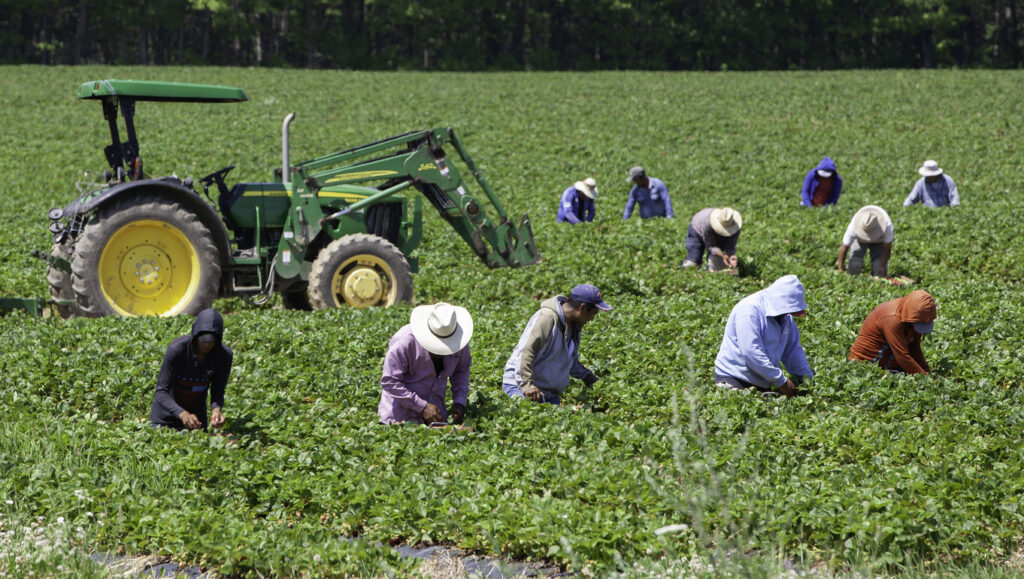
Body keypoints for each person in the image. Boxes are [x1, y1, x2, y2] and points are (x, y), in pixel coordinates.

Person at [502, 284, 612, 405]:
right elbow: (526, 352)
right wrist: (527, 385)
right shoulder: (547, 318)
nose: (592, 319)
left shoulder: (574, 327)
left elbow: (570, 361)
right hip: (520, 387)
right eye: (594, 313)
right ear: (583, 307)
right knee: (529, 418)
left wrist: (591, 380)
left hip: (547, 392)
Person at [714, 275, 814, 398]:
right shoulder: (750, 310)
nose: (789, 314)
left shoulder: (785, 317)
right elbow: (751, 352)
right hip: (735, 379)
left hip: (763, 381)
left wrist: (807, 381)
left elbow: (793, 351)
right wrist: (781, 381)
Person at [379, 303, 473, 425]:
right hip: (398, 419)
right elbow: (390, 381)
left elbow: (462, 371)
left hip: (436, 419)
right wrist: (422, 407)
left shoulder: (459, 344)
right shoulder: (406, 341)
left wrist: (459, 402)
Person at [149, 309, 233, 430]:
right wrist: (182, 414)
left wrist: (216, 410)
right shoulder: (177, 350)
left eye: (211, 341)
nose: (206, 345)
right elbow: (161, 391)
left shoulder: (223, 355)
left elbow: (218, 390)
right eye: (203, 340)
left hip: (196, 420)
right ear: (195, 335)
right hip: (163, 418)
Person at [849, 290, 936, 374]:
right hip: (866, 366)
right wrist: (924, 377)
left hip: (889, 364)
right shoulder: (892, 319)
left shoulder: (912, 316)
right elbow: (902, 356)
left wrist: (925, 369)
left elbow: (914, 346)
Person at [836, 205, 894, 277]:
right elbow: (844, 248)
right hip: (860, 240)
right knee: (854, 265)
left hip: (879, 241)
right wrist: (840, 268)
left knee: (879, 271)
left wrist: (882, 266)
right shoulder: (853, 227)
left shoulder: (887, 225)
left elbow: (887, 249)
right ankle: (854, 281)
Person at [682, 207, 742, 271]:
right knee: (694, 259)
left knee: (716, 262)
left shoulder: (736, 227)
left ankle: (710, 269)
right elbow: (711, 246)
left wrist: (731, 256)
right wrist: (723, 256)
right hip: (696, 228)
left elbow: (731, 244)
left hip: (708, 228)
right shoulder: (708, 226)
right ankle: (688, 268)